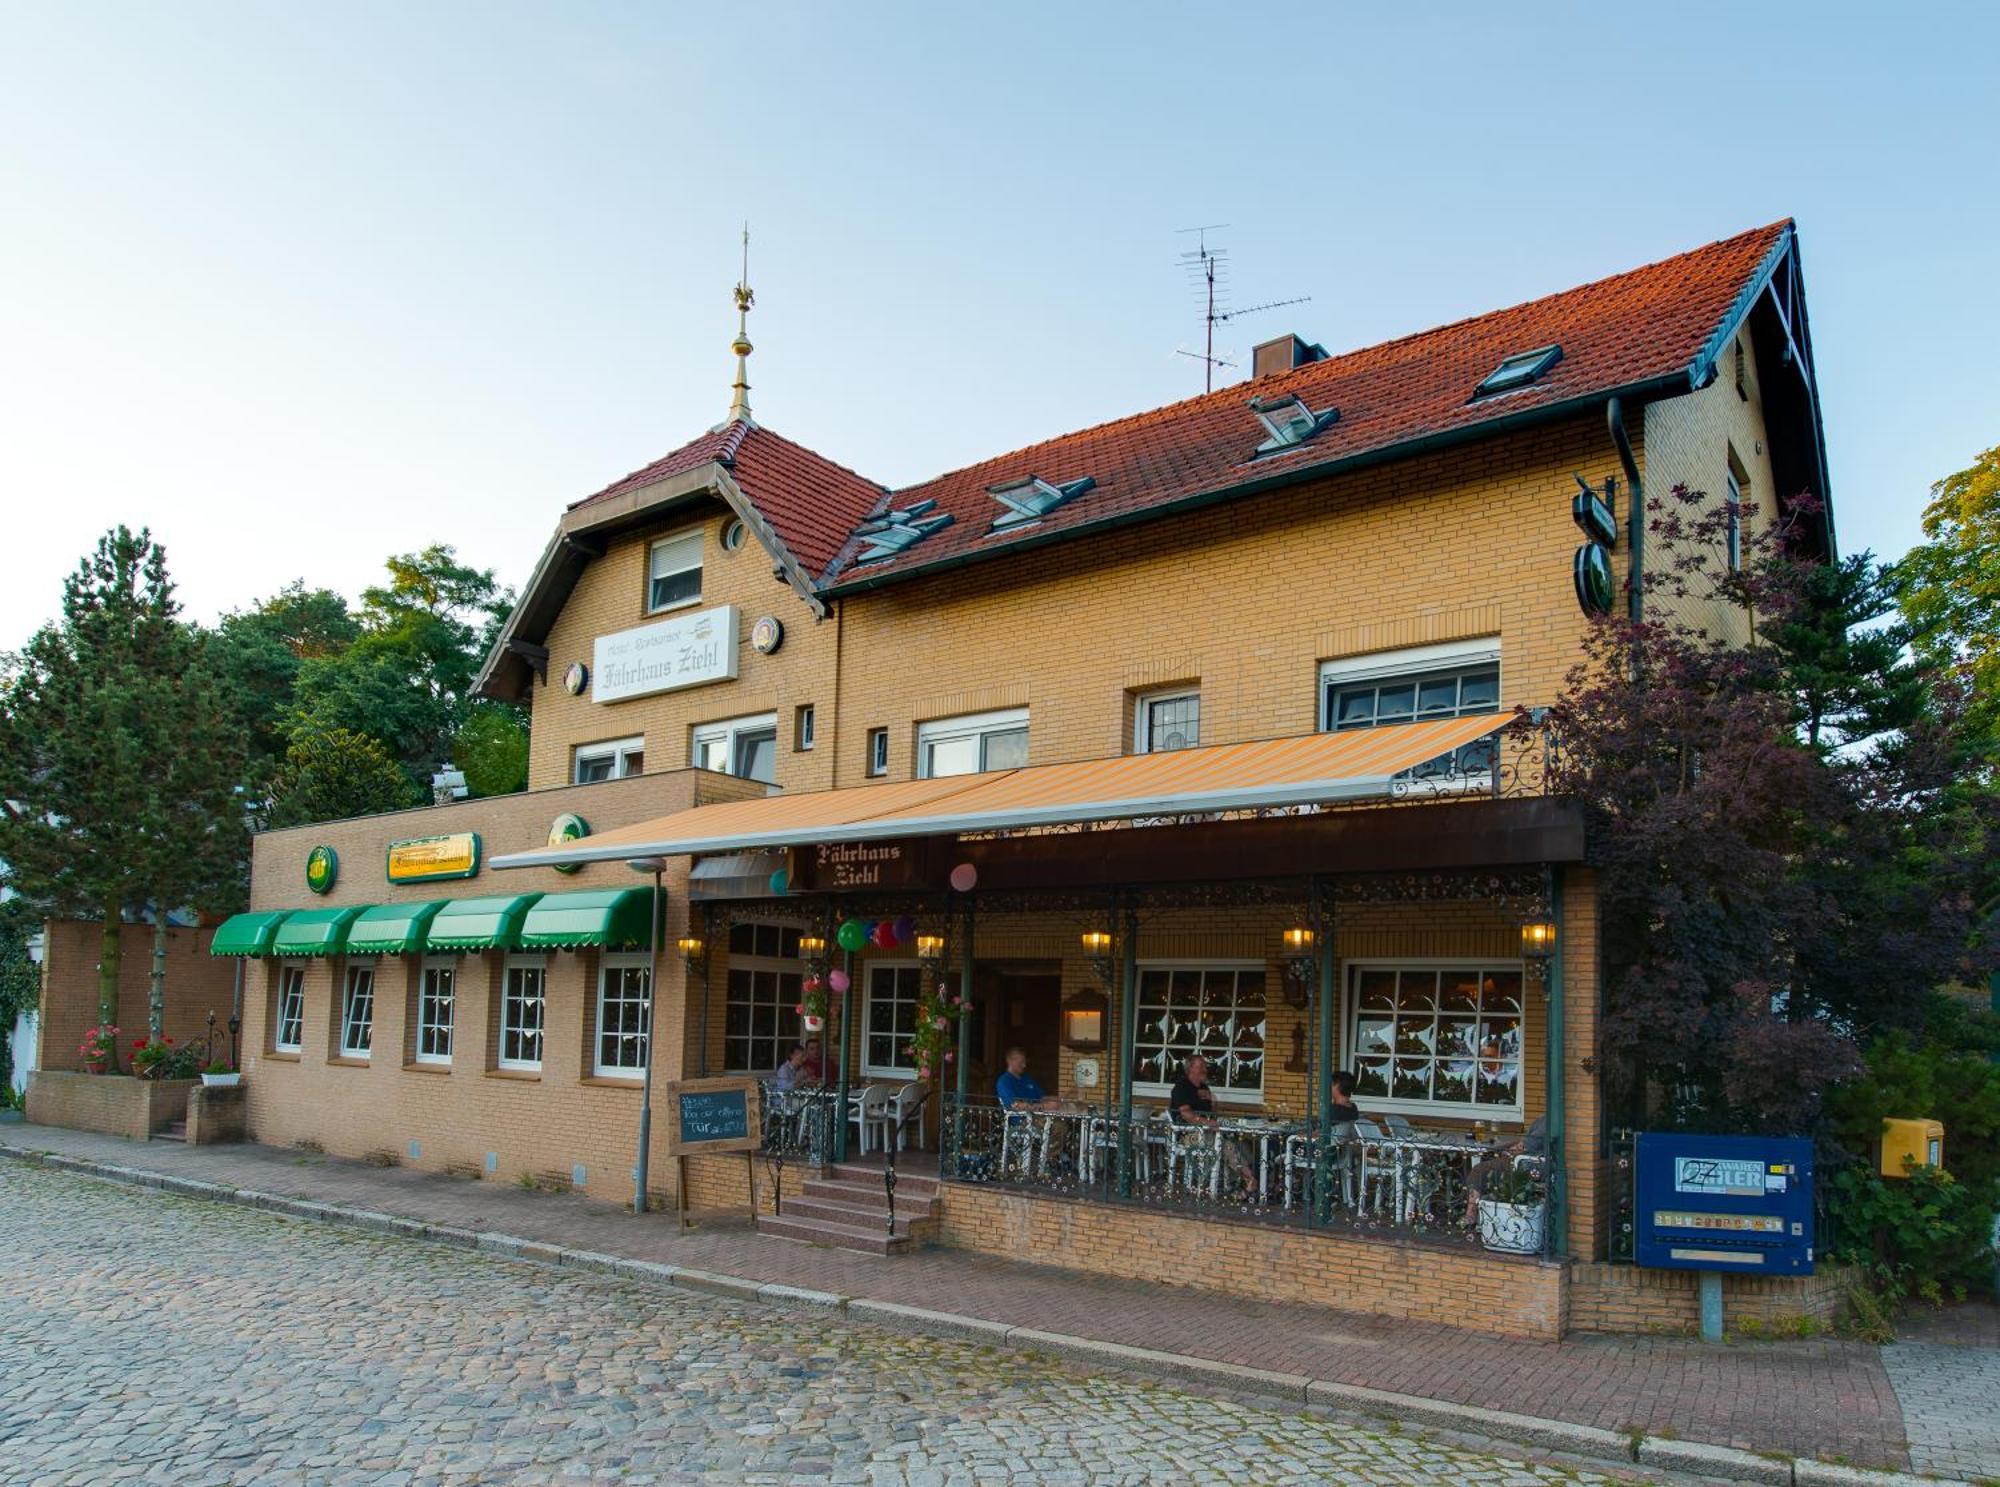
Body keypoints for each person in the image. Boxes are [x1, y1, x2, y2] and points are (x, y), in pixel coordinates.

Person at [1167, 1055, 1255, 1194]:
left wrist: (1213, 1100)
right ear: (1191, 1068)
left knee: (1242, 1144)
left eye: (1205, 1066)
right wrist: (1208, 1123)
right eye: (1201, 1066)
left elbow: (1212, 1114)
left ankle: (1235, 1185)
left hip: (1208, 1131)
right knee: (1227, 1146)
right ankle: (1250, 1181)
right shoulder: (1181, 1087)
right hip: (1188, 1135)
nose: (1205, 1069)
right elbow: (1186, 1114)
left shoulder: (1203, 1086)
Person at [1463, 1115, 1548, 1224]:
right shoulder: (1549, 1119)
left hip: (1527, 1164)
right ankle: (1484, 1208)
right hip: (1531, 1161)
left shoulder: (1548, 1120)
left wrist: (1508, 1151)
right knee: (1489, 1159)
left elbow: (1526, 1146)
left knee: (1479, 1169)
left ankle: (1471, 1213)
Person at [995, 1047, 1060, 1110]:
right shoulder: (1004, 1081)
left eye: (1024, 1062)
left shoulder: (1027, 1078)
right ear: (1010, 1061)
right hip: (1022, 1120)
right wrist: (1044, 1107)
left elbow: (1041, 1097)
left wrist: (1055, 1099)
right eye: (1021, 1063)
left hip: (1038, 1117)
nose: (1024, 1065)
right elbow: (1015, 1106)